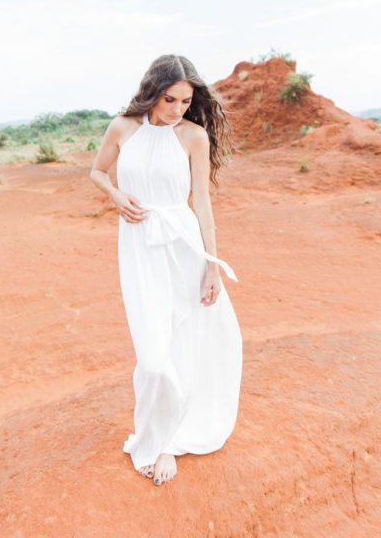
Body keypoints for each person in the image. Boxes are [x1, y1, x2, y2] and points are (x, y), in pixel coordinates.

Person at [89, 54, 243, 487]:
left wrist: (212, 266)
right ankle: (154, 434)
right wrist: (117, 196)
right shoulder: (122, 127)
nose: (176, 109)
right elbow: (97, 172)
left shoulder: (193, 136)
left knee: (187, 339)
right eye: (169, 99)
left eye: (185, 101)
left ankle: (167, 441)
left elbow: (202, 204)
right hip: (139, 246)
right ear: (151, 92)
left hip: (184, 243)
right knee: (154, 354)